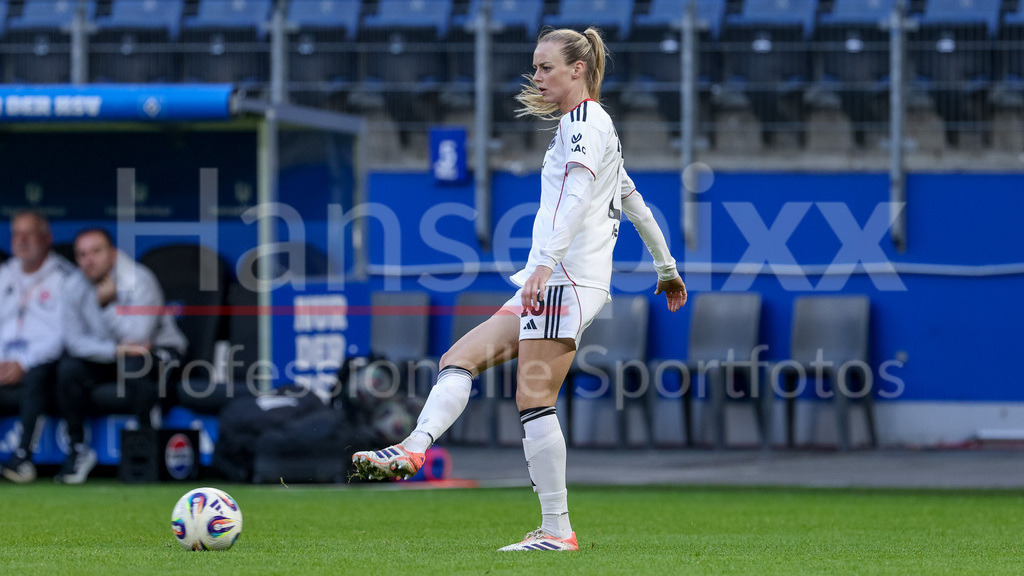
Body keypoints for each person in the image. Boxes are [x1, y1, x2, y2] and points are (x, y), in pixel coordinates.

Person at [352, 28, 687, 551]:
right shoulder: (597, 129)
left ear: (577, 69)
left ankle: (557, 530)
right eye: (535, 68)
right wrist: (665, 266)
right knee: (457, 359)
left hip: (563, 277)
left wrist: (546, 262)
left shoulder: (584, 123)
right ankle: (414, 448)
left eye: (545, 67)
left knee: (533, 397)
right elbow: (634, 201)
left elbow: (577, 194)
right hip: (563, 277)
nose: (537, 77)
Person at [55, 228, 187, 484]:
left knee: (135, 364)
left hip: (161, 352)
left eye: (96, 251)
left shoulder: (139, 279)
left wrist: (108, 306)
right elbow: (73, 342)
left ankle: (148, 448)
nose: (88, 260)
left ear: (112, 254)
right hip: (113, 355)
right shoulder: (73, 285)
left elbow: (139, 337)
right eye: (82, 254)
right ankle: (78, 450)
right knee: (68, 370)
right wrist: (114, 351)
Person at [0, 212, 75, 483]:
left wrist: (24, 362)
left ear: (46, 238)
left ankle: (22, 459)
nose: (21, 240)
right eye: (16, 234)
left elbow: (64, 335)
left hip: (42, 362)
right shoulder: (4, 274)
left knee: (38, 376)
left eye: (28, 233)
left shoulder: (65, 277)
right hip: (4, 361)